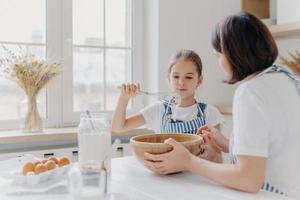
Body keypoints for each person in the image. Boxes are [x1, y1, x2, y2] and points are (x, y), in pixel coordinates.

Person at [143, 12, 300, 198]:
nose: (220, 63)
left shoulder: (250, 92)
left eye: (218, 55)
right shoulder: (288, 78)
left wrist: (188, 161)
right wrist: (228, 145)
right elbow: (277, 144)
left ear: (234, 53)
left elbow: (248, 179)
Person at [111, 50, 223, 161]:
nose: (181, 83)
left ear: (199, 80)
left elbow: (218, 158)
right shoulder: (159, 110)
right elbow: (118, 127)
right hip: (166, 175)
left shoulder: (210, 113)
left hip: (199, 176)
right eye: (176, 77)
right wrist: (123, 99)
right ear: (168, 78)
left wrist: (211, 154)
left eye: (189, 77)